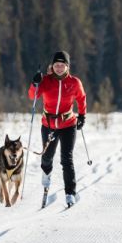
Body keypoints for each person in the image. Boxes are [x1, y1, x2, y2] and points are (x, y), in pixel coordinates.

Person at [30, 51, 88, 207]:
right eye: (57, 65)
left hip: (68, 124)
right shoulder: (46, 81)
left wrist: (82, 116)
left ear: (67, 66)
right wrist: (35, 84)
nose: (59, 68)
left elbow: (81, 98)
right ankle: (46, 173)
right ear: (52, 66)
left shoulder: (74, 82)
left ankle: (70, 193)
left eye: (62, 65)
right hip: (48, 125)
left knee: (66, 159)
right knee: (47, 157)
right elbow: (32, 96)